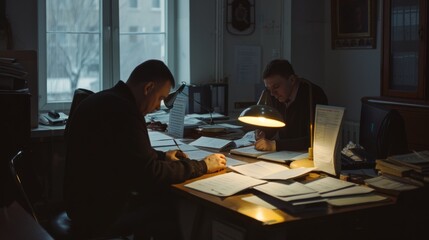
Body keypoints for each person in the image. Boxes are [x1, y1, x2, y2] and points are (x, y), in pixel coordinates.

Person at [64, 59, 227, 239]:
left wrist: (163, 156)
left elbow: (125, 152)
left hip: (80, 203)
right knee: (167, 202)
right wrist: (202, 166)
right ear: (148, 88)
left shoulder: (104, 100)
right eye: (161, 98)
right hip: (98, 213)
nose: (158, 106)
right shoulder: (125, 111)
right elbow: (150, 174)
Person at [254, 59, 328, 152]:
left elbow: (315, 139)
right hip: (284, 154)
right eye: (269, 88)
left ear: (292, 80)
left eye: (276, 87)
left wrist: (275, 145)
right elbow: (273, 125)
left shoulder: (314, 95)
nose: (272, 93)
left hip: (306, 154)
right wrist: (263, 132)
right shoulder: (274, 95)